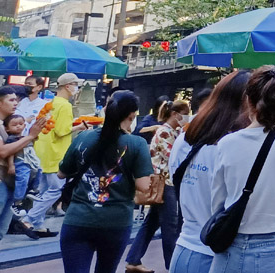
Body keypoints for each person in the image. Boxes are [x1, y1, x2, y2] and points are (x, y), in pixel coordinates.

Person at [209, 67, 275, 273]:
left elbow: (217, 203)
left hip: (231, 243)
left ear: (248, 100)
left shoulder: (226, 143)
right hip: (274, 246)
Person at [58, 91, 153, 273]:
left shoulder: (84, 137)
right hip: (115, 222)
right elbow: (143, 186)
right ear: (132, 115)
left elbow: (62, 173)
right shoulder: (137, 143)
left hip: (78, 219)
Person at [168, 70, 251, 273]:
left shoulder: (185, 138)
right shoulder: (233, 146)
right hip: (217, 256)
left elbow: (173, 179)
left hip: (184, 249)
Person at [125, 100, 191, 273]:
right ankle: (172, 265)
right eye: (185, 113)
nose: (187, 117)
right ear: (175, 114)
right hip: (165, 183)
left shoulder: (172, 131)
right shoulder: (164, 132)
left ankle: (133, 260)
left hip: (164, 184)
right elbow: (174, 157)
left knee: (151, 223)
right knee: (170, 226)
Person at [26, 73, 85, 238]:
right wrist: (79, 127)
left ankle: (37, 224)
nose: (77, 88)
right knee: (56, 190)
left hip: (43, 150)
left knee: (44, 189)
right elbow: (62, 131)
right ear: (68, 86)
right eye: (76, 84)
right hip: (56, 152)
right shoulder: (65, 105)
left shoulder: (51, 103)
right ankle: (28, 219)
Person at [0, 86, 47, 245]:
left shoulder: (9, 125)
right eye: (11, 100)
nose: (16, 103)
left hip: (8, 181)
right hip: (1, 182)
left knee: (1, 230)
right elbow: (3, 152)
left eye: (16, 100)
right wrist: (31, 136)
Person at [4, 114, 41, 210]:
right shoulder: (12, 138)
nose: (18, 126)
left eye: (21, 124)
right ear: (7, 129)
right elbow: (11, 153)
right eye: (14, 125)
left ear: (24, 125)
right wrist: (11, 165)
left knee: (38, 171)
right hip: (20, 162)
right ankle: (17, 201)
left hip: (30, 161)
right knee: (22, 179)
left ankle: (33, 189)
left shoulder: (25, 137)